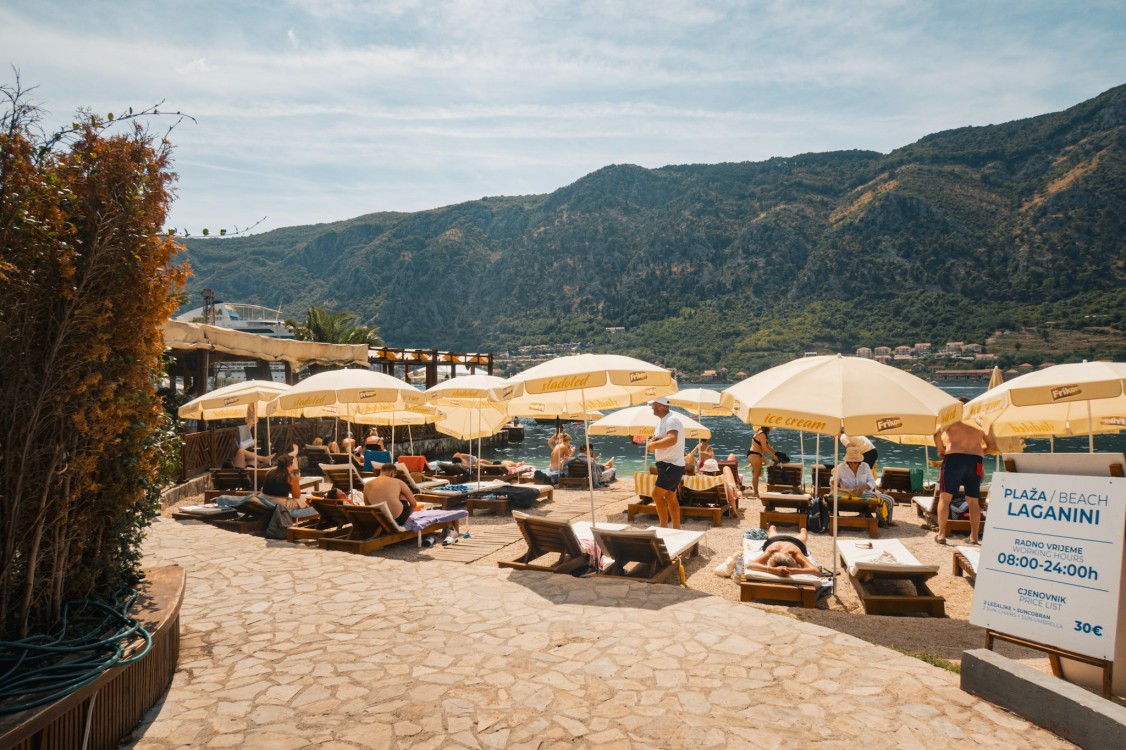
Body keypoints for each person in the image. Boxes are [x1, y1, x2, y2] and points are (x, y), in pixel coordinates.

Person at [934, 399, 996, 545]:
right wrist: (979, 453)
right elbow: (992, 445)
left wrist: (942, 450)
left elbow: (936, 434)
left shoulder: (952, 419)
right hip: (975, 461)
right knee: (973, 501)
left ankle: (942, 535)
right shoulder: (980, 421)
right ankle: (974, 537)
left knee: (945, 498)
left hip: (954, 459)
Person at [831, 444, 896, 527]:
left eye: (857, 462)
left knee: (890, 500)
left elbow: (872, 482)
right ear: (848, 461)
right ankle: (882, 521)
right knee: (884, 499)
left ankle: (886, 520)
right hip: (849, 495)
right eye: (853, 462)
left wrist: (865, 486)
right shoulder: (841, 468)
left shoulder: (865, 466)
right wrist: (834, 482)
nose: (855, 464)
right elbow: (833, 481)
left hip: (865, 493)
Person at [645, 397, 685, 529]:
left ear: (661, 406)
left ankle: (663, 527)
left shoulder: (671, 419)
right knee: (670, 497)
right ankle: (676, 528)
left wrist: (652, 445)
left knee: (656, 494)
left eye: (653, 405)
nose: (651, 407)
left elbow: (672, 439)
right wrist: (653, 442)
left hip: (671, 464)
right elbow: (661, 441)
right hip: (667, 464)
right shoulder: (661, 422)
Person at [746, 525, 819, 577]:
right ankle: (773, 527)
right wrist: (774, 570)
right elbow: (750, 565)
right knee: (803, 535)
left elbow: (816, 571)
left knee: (803, 535)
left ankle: (773, 527)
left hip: (786, 542)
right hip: (778, 541)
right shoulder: (772, 551)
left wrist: (788, 570)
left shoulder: (794, 552)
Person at [746, 426, 779, 497]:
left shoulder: (759, 432)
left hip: (752, 454)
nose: (772, 429)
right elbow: (765, 448)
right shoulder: (762, 435)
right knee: (756, 474)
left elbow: (766, 445)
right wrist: (774, 456)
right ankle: (755, 493)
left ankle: (755, 491)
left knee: (757, 473)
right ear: (768, 428)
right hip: (756, 454)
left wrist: (775, 451)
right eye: (771, 428)